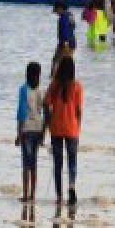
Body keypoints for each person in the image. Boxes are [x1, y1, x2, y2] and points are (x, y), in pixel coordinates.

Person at [44, 56, 83, 204]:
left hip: (56, 128)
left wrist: (47, 124)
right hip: (72, 128)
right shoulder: (77, 87)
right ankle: (72, 186)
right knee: (72, 162)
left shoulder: (54, 85)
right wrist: (78, 128)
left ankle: (59, 196)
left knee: (58, 163)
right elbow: (79, 110)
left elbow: (46, 104)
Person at [15, 61, 44, 202]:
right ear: (39, 75)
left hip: (26, 129)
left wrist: (18, 134)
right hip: (38, 128)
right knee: (34, 163)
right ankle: (33, 195)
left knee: (26, 164)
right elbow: (44, 112)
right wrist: (44, 133)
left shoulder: (23, 89)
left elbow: (21, 112)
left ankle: (26, 194)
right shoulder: (41, 91)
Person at [52, 0, 76, 75]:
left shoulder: (63, 17)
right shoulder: (70, 15)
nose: (56, 12)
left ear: (60, 8)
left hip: (65, 43)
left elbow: (65, 30)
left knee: (56, 61)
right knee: (68, 63)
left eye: (56, 9)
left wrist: (65, 43)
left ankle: (54, 78)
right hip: (72, 42)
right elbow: (73, 27)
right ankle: (69, 77)